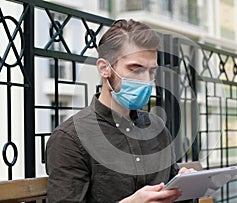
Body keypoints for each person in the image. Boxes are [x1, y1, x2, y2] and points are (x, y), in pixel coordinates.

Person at [46, 19, 195, 203]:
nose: (147, 80)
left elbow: (170, 187)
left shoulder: (157, 127)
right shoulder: (70, 138)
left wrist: (184, 184)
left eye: (152, 72)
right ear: (104, 68)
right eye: (136, 69)